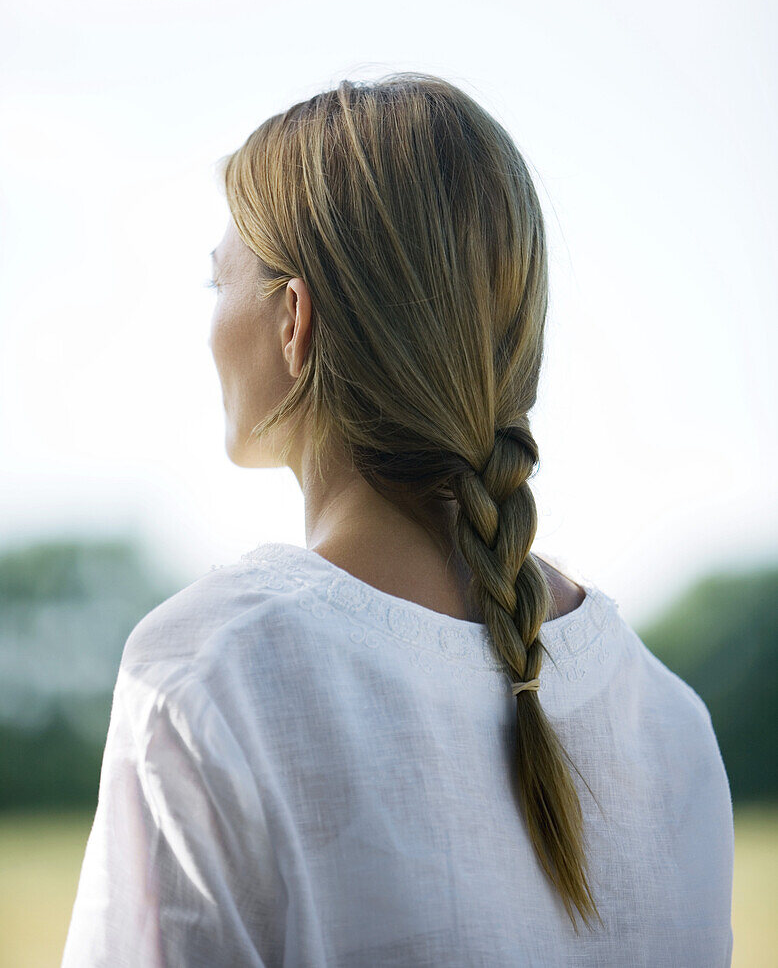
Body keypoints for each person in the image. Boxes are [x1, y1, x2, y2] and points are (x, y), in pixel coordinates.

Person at [61, 73, 734, 966]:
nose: (206, 321)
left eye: (214, 279)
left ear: (294, 320)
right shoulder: (671, 725)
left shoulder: (209, 676)